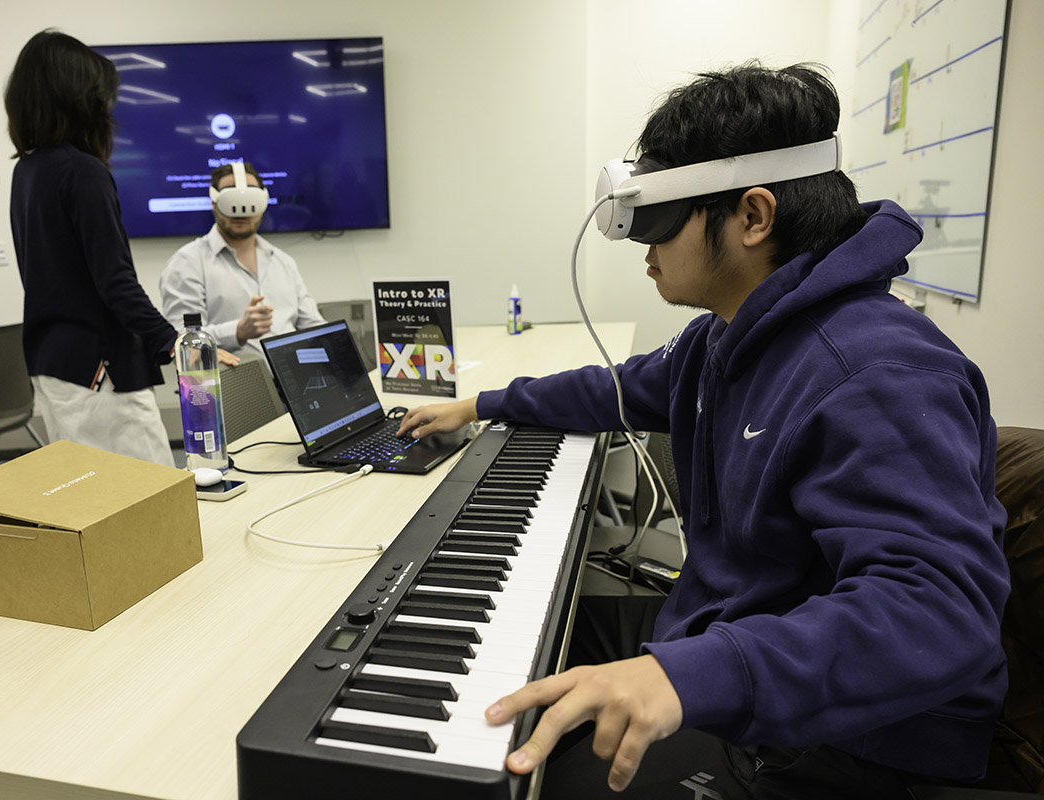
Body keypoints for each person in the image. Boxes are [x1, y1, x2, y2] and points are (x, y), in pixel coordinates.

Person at [397, 63, 1008, 798]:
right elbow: (618, 388)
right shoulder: (728, 335)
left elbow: (939, 613)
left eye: (657, 220)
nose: (639, 247)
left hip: (839, 746)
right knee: (495, 651)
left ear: (753, 217)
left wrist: (680, 677)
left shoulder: (876, 371)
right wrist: (485, 403)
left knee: (516, 781)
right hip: (731, 631)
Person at [4, 30, 236, 467]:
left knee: (86, 495)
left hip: (55, 363)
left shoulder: (29, 170)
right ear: (80, 99)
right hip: (99, 367)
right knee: (150, 501)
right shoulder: (82, 171)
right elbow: (114, 282)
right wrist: (177, 345)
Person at [159, 161, 325, 359]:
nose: (241, 210)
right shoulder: (187, 263)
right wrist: (237, 331)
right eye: (231, 200)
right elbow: (182, 340)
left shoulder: (283, 262)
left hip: (294, 381)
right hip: (234, 385)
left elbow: (314, 327)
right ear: (214, 203)